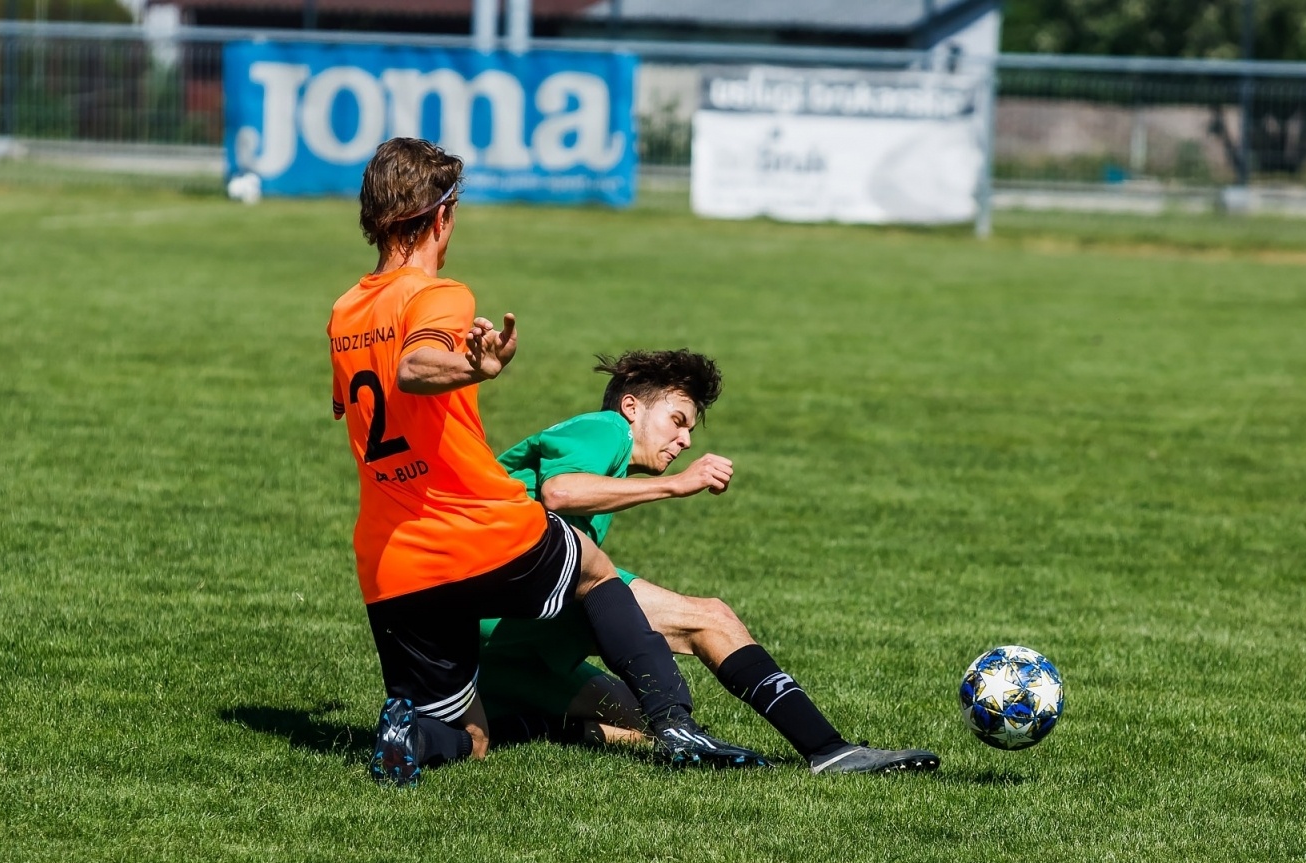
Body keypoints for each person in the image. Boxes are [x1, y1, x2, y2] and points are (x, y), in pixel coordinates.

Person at [327, 139, 765, 785]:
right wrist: (473, 365)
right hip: (476, 529)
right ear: (442, 215)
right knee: (591, 565)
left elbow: (365, 398)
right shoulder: (436, 294)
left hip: (391, 555)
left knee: (468, 735)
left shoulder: (346, 311)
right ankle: (676, 723)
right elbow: (415, 367)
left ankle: (408, 734)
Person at [479, 349, 942, 775]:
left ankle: (522, 728)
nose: (683, 439)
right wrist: (676, 484)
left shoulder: (612, 465)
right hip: (504, 586)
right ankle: (829, 750)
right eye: (677, 420)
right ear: (631, 407)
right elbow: (560, 492)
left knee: (631, 717)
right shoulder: (605, 429)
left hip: (499, 640)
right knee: (709, 618)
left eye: (689, 431)